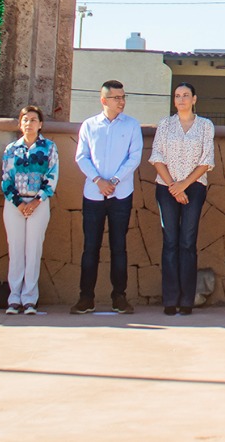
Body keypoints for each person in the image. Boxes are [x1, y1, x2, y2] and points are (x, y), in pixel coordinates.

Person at [74, 79, 143, 314]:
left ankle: (119, 297)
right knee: (90, 247)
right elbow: (82, 157)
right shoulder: (89, 125)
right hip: (93, 194)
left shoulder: (132, 125)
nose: (121, 101)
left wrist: (113, 181)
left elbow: (134, 157)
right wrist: (98, 181)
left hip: (121, 194)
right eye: (116, 98)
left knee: (119, 246)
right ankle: (86, 298)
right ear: (104, 100)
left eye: (123, 97)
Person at [149, 82, 214, 316]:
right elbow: (156, 156)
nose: (182, 99)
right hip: (166, 187)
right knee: (170, 242)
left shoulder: (205, 126)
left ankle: (187, 299)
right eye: (178, 96)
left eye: (186, 95)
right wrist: (173, 187)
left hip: (194, 187)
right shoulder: (165, 125)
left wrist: (184, 185)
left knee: (187, 242)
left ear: (194, 99)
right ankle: (170, 298)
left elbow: (206, 160)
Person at [0, 105, 57, 315]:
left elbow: (51, 177)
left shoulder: (49, 148)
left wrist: (35, 202)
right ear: (20, 124)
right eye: (25, 120)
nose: (29, 124)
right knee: (16, 249)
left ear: (40, 124)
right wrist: (19, 203)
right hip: (15, 204)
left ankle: (30, 299)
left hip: (38, 205)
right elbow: (6, 179)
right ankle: (14, 297)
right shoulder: (11, 149)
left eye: (33, 120)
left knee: (33, 249)